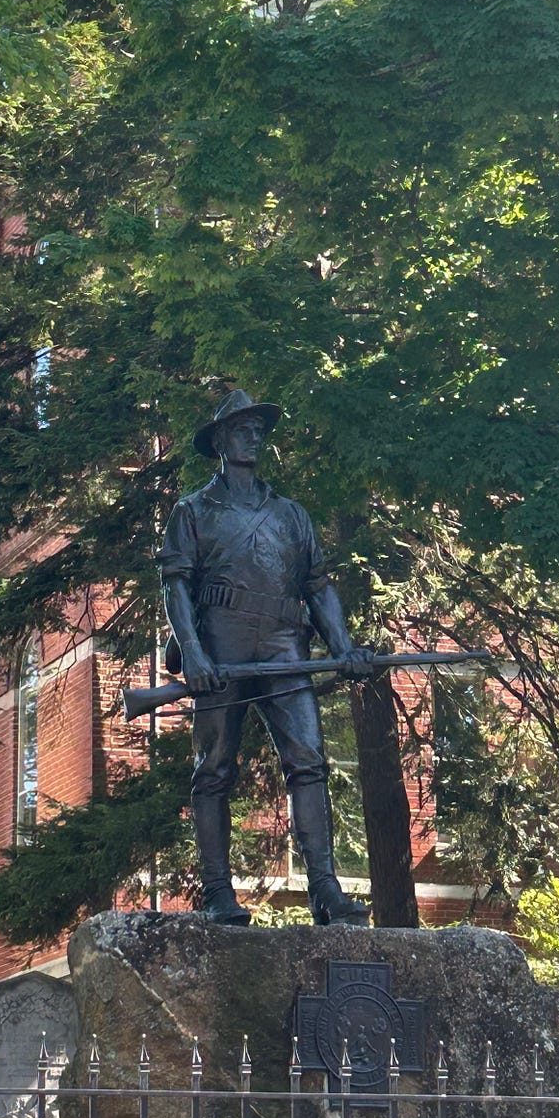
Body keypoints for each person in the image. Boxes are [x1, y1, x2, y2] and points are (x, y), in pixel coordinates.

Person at [158, 389, 376, 925]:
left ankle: (324, 889)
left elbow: (318, 587)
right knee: (214, 768)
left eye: (259, 430)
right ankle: (218, 892)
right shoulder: (193, 511)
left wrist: (343, 649)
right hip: (222, 642)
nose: (254, 438)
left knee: (309, 762)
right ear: (220, 441)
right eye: (243, 429)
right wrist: (193, 653)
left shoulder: (291, 515)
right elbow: (176, 586)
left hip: (284, 644)